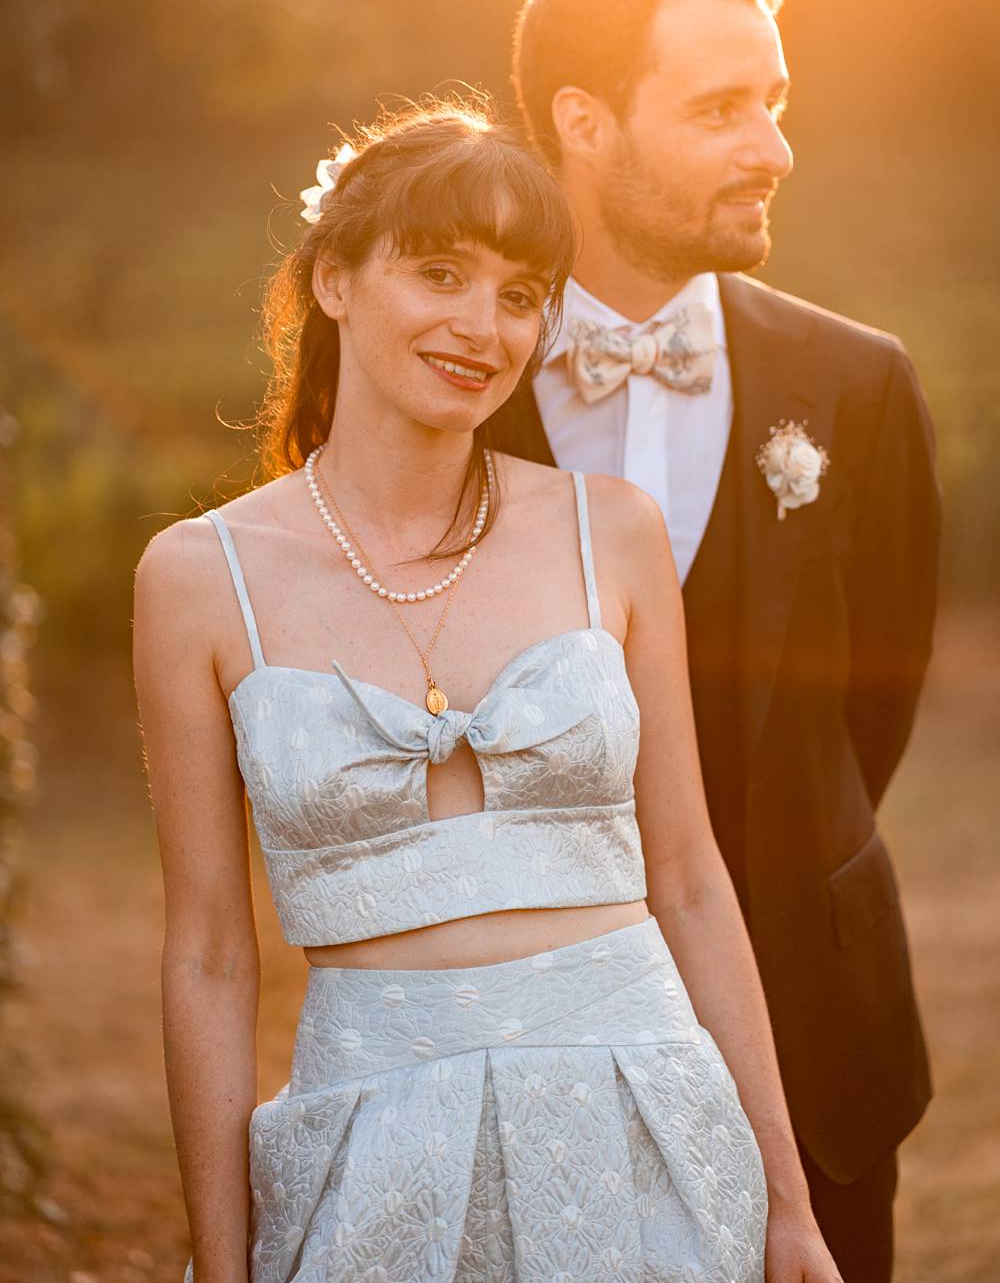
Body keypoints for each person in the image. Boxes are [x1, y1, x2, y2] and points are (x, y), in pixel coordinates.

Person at [133, 101, 842, 1283]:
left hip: (647, 1122)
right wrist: (222, 1259)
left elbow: (690, 880)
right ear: (335, 283)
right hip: (370, 1146)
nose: (482, 327)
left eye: (520, 294)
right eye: (441, 273)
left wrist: (787, 1207)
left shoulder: (608, 534)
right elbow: (207, 952)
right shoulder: (201, 579)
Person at [489, 0, 941, 1283]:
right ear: (586, 121)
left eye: (775, 104)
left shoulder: (858, 388)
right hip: (523, 1027)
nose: (772, 148)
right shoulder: (454, 384)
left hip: (813, 1028)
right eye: (719, 109)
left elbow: (872, 705)